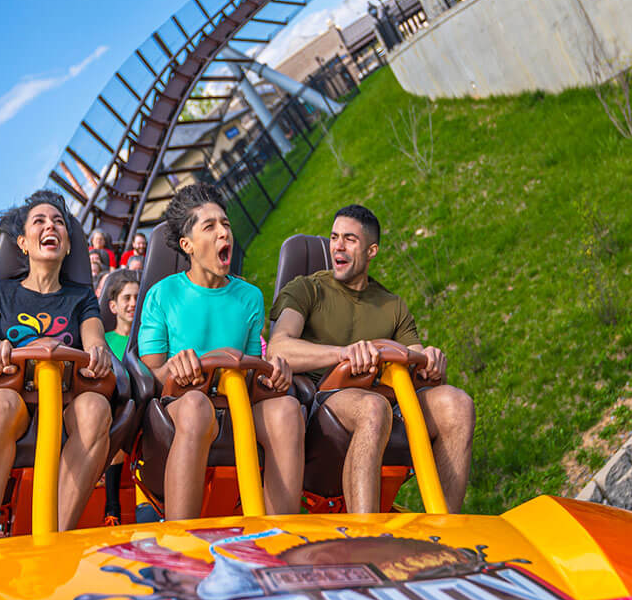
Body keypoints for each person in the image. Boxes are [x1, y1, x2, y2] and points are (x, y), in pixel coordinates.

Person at [267, 204, 475, 513]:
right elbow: (278, 348)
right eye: (334, 237)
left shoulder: (392, 305)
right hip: (321, 403)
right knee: (372, 407)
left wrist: (431, 361)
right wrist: (343, 354)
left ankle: (448, 528)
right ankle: (365, 531)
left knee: (457, 404)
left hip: (386, 399)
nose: (337, 245)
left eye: (349, 239)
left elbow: (414, 358)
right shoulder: (307, 289)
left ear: (371, 251)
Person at [139, 184, 302, 517]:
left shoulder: (250, 297)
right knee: (197, 405)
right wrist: (174, 367)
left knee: (286, 409)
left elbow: (252, 367)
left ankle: (279, 538)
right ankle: (181, 539)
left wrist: (275, 376)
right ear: (188, 245)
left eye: (225, 224)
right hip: (183, 402)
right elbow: (150, 377)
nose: (223, 232)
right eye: (209, 227)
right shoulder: (163, 294)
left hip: (239, 402)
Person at [0, 191, 115, 540]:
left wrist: (98, 355)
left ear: (69, 246)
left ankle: (51, 538)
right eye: (40, 221)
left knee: (95, 408)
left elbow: (94, 341)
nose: (51, 227)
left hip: (64, 398)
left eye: (59, 222)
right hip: (12, 391)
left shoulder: (81, 296)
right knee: (0, 407)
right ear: (23, 243)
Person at [98, 268, 140, 358]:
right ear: (113, 306)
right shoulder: (102, 341)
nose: (133, 303)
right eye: (127, 298)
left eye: (137, 298)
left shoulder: (149, 340)